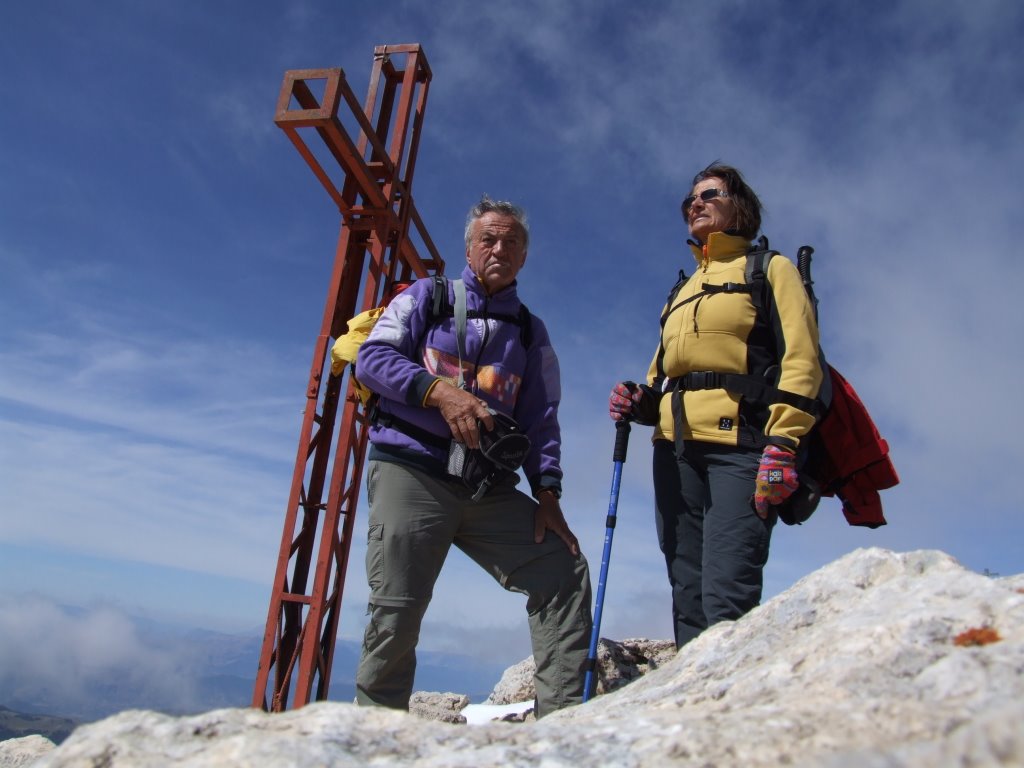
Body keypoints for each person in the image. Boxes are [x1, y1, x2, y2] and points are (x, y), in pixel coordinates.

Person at [353, 195, 592, 717]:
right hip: (410, 469)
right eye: (489, 238)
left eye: (511, 241)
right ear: (469, 247)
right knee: (397, 611)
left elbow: (541, 418)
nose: (499, 248)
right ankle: (375, 740)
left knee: (562, 567)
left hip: (485, 485)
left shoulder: (529, 333)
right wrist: (438, 391)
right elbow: (370, 360)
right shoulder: (426, 297)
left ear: (524, 257)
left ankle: (562, 729)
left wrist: (547, 493)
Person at [609, 163, 824, 648]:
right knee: (686, 591)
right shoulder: (681, 291)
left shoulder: (769, 268)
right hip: (674, 449)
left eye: (709, 194)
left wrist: (784, 443)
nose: (695, 204)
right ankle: (692, 709)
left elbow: (802, 359)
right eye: (689, 200)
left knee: (727, 591)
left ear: (739, 206)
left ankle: (730, 710)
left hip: (744, 445)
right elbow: (659, 379)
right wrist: (639, 402)